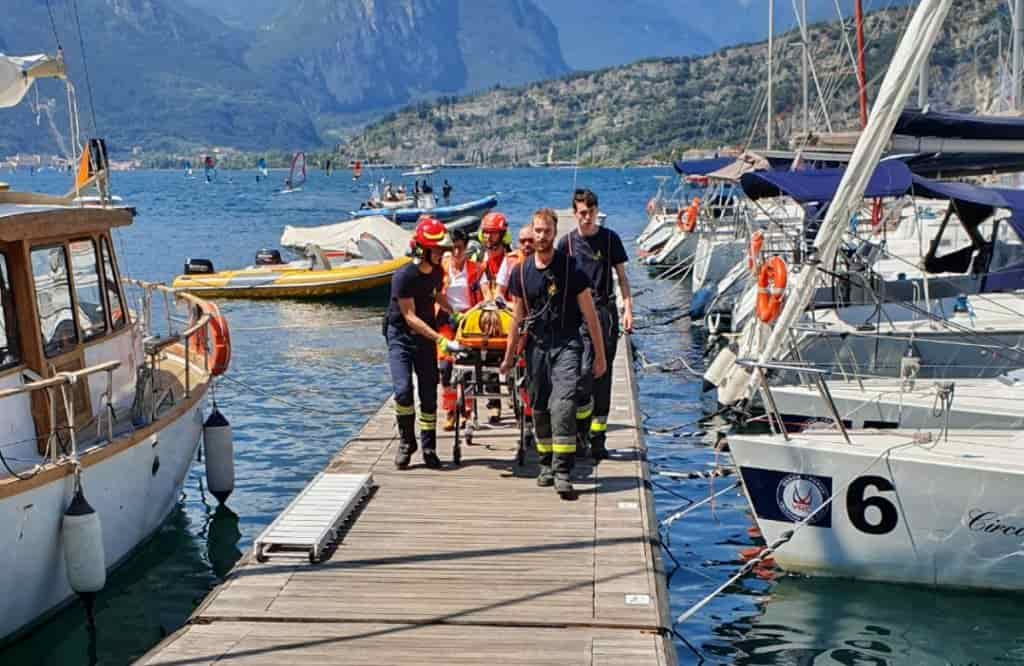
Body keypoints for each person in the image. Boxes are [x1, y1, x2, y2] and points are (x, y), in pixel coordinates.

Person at [501, 208, 606, 499]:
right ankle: (545, 463)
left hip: (567, 344)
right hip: (536, 347)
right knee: (539, 407)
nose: (542, 236)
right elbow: (517, 318)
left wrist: (600, 355)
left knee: (563, 404)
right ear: (531, 233)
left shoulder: (572, 269)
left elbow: (590, 315)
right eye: (537, 231)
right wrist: (509, 357)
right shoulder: (520, 273)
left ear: (554, 233)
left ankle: (563, 470)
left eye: (547, 231)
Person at [556, 188, 632, 462]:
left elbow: (622, 277)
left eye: (590, 212)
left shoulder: (610, 239)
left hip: (603, 312)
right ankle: (580, 432)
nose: (586, 218)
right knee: (580, 373)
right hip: (575, 316)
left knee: (602, 374)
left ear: (597, 211)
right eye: (581, 213)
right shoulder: (566, 244)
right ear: (574, 214)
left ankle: (597, 438)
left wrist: (628, 310)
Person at [385, 217, 454, 470]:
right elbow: (409, 316)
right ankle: (406, 442)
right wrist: (440, 339)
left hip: (426, 337)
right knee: (403, 390)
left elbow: (436, 293)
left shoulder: (436, 271)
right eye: (436, 250)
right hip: (401, 337)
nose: (441, 254)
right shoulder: (403, 276)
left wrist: (456, 311)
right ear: (423, 250)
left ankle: (429, 447)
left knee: (428, 392)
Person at [437, 228, 483, 431]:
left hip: (469, 319)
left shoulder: (476, 270)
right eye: (453, 248)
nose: (456, 253)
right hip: (446, 320)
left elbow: (484, 296)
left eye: (460, 248)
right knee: (445, 367)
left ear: (466, 248)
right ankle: (450, 410)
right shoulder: (441, 270)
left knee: (467, 367)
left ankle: (467, 410)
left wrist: (470, 315)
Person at [477, 211, 512, 424]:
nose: (489, 238)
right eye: (486, 233)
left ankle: (515, 392)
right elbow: (482, 286)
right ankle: (493, 404)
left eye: (493, 233)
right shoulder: (480, 258)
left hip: (508, 312)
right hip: (489, 312)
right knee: (487, 357)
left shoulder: (511, 258)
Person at [497, 225, 535, 301]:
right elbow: (499, 292)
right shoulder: (509, 260)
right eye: (523, 241)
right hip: (511, 308)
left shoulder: (544, 260)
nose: (527, 244)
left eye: (531, 240)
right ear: (518, 243)